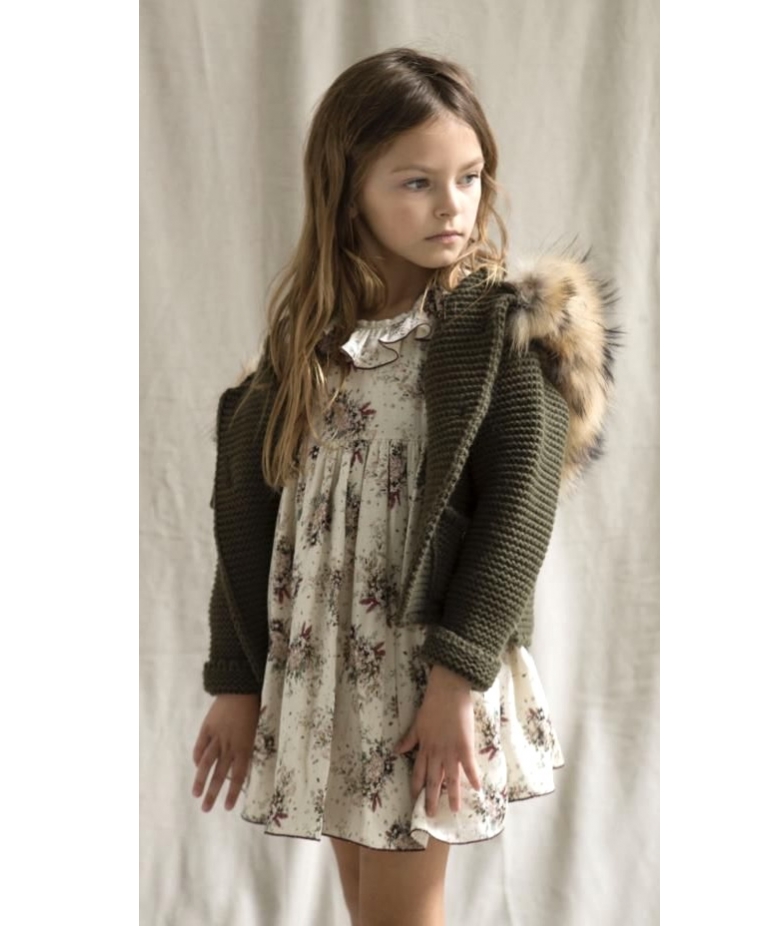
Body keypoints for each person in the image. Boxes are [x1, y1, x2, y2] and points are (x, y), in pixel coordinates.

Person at [191, 46, 622, 926]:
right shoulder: (308, 349)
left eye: (469, 176)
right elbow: (249, 521)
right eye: (416, 182)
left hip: (426, 670)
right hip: (326, 670)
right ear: (347, 189)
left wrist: (456, 681)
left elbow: (517, 517)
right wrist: (236, 678)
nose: (452, 205)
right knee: (371, 910)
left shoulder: (496, 332)